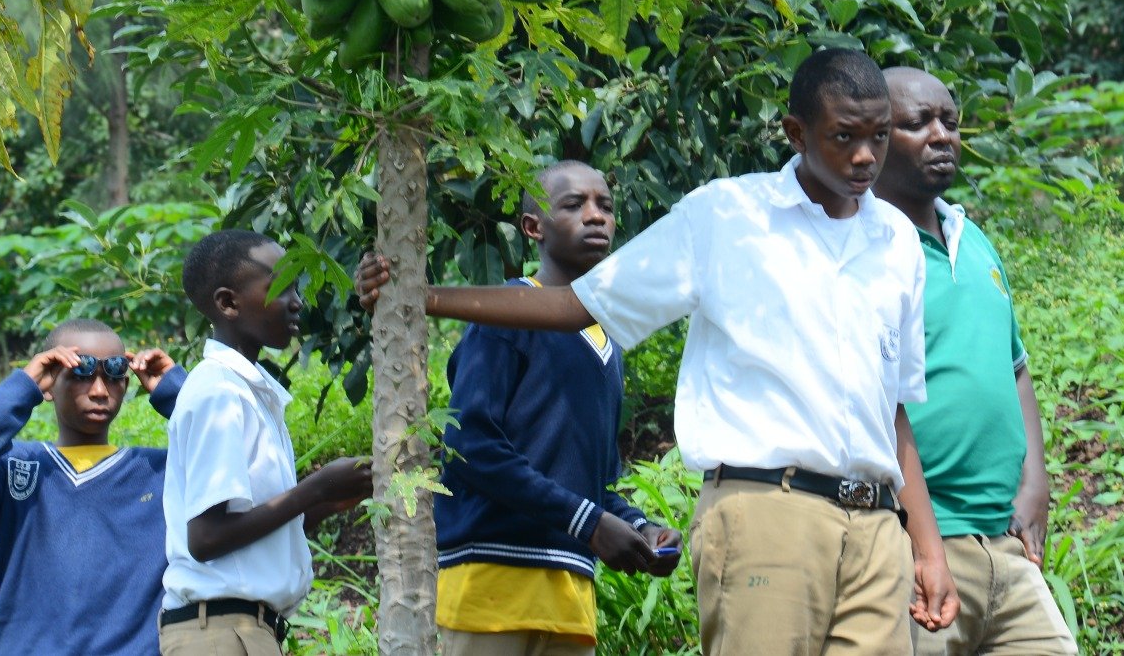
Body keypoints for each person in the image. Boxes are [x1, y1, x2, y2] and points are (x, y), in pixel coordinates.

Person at [360, 48, 960, 655]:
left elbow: (895, 411)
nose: (865, 156)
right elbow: (579, 306)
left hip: (878, 528)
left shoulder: (898, 241)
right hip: (769, 513)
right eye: (844, 136)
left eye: (879, 137)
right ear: (796, 134)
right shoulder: (726, 215)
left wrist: (927, 548)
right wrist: (417, 295)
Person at [434, 160, 681, 656]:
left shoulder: (607, 341)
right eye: (574, 205)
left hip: (569, 595)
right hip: (492, 582)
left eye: (605, 207)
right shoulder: (506, 314)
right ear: (533, 227)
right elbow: (471, 445)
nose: (596, 217)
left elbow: (592, 484)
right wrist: (587, 523)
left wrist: (638, 528)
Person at [875, 67, 1078, 655]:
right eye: (918, 123)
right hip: (917, 544)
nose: (942, 135)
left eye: (950, 121)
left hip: (1007, 545)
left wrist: (1034, 479)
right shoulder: (868, 249)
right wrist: (921, 540)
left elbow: (1015, 368)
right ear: (875, 137)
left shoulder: (974, 238)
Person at [160, 229, 373, 656]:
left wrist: (329, 501)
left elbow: (250, 527)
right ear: (227, 303)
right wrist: (315, 488)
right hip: (218, 633)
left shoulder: (249, 391)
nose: (297, 301)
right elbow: (206, 538)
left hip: (242, 630)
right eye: (281, 286)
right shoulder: (219, 391)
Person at [0, 317, 186, 656]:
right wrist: (23, 386)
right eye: (80, 373)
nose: (98, 391)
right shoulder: (15, 467)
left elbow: (239, 468)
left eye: (113, 376)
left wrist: (179, 393)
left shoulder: (160, 472)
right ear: (47, 386)